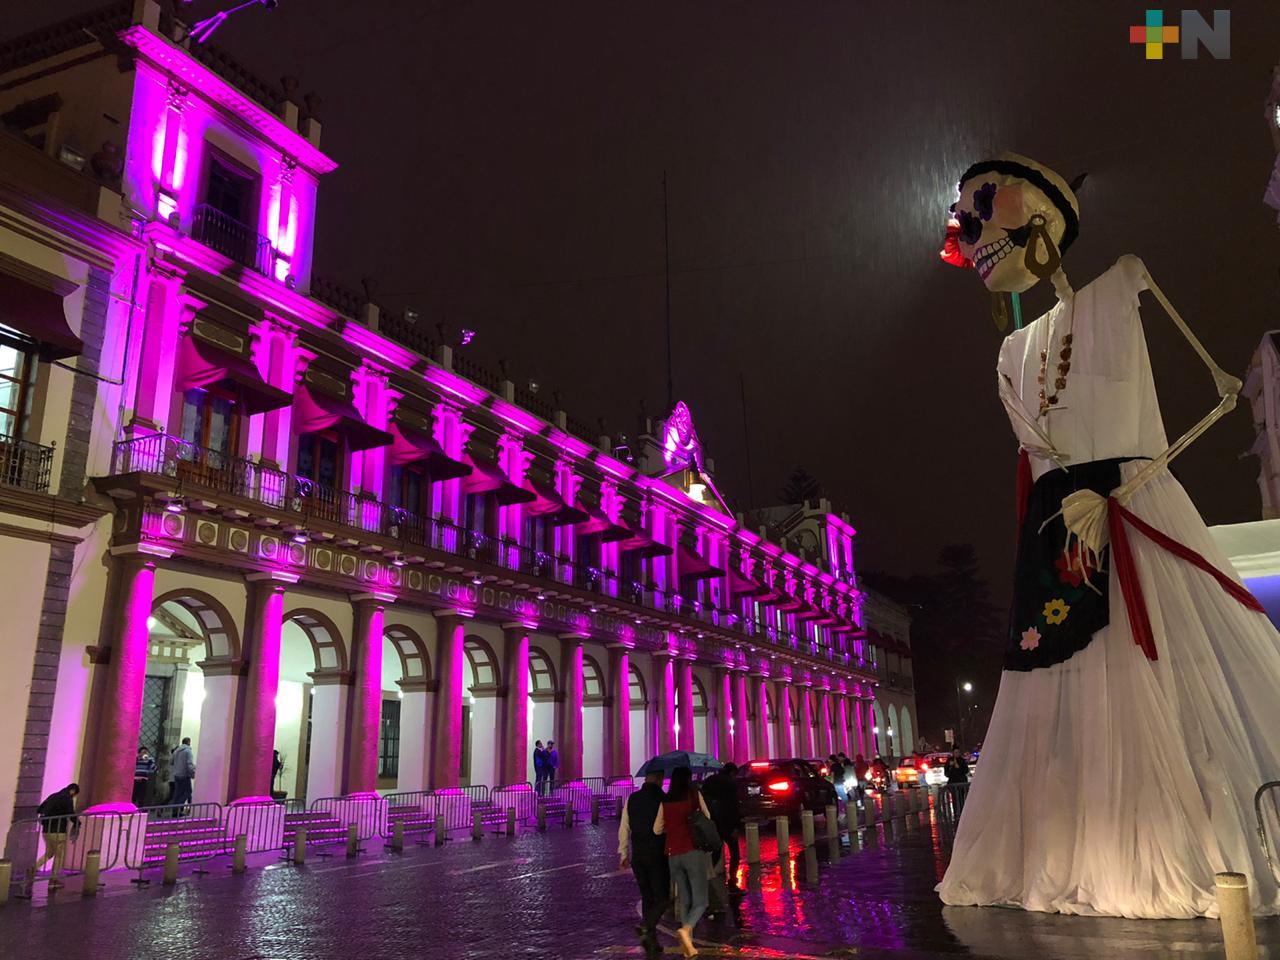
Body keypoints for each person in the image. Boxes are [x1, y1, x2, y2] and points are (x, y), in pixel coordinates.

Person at [937, 153, 1280, 918]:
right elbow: (1038, 457)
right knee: (1076, 681)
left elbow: (1224, 393)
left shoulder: (1123, 282)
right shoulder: (1009, 354)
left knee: (1157, 676)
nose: (967, 230)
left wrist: (1128, 484)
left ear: (1047, 214)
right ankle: (1105, 847)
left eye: (983, 204)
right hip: (1062, 529)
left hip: (1127, 501)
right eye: (963, 217)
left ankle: (1197, 842)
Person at [654, 766, 712, 958]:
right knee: (701, 901)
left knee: (685, 899)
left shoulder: (665, 801)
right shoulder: (694, 795)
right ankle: (687, 931)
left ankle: (688, 946)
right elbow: (707, 817)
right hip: (692, 851)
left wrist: (672, 828)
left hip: (673, 854)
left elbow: (657, 829)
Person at [618, 770, 668, 959]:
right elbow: (659, 827)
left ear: (646, 779)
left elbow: (624, 826)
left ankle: (652, 942)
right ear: (659, 779)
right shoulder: (663, 799)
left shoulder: (633, 798)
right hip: (657, 854)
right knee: (662, 896)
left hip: (638, 855)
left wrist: (623, 853)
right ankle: (647, 926)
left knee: (647, 897)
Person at [700, 762, 742, 899]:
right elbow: (734, 806)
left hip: (714, 824)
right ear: (732, 773)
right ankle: (732, 883)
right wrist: (736, 826)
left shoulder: (710, 781)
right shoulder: (730, 784)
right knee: (735, 854)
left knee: (715, 854)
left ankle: (704, 882)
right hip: (728, 824)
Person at [35, 783, 79, 888]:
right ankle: (53, 880)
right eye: (75, 794)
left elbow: (39, 809)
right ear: (73, 791)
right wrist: (77, 823)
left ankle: (33, 869)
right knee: (59, 856)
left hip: (46, 830)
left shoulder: (53, 796)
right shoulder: (67, 798)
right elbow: (70, 813)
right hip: (59, 831)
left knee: (49, 853)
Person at [170, 737, 195, 814]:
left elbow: (171, 761)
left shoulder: (176, 751)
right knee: (188, 792)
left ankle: (174, 811)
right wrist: (192, 773)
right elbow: (189, 764)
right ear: (188, 742)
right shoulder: (188, 751)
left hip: (176, 775)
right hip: (185, 775)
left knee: (177, 793)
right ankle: (179, 806)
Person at [943, 748, 970, 817]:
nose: (957, 754)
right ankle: (956, 813)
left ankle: (962, 812)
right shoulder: (949, 761)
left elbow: (966, 770)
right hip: (953, 783)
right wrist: (951, 766)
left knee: (961, 798)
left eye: (958, 752)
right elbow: (946, 773)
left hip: (961, 782)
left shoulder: (962, 761)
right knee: (955, 798)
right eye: (955, 752)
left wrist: (960, 767)